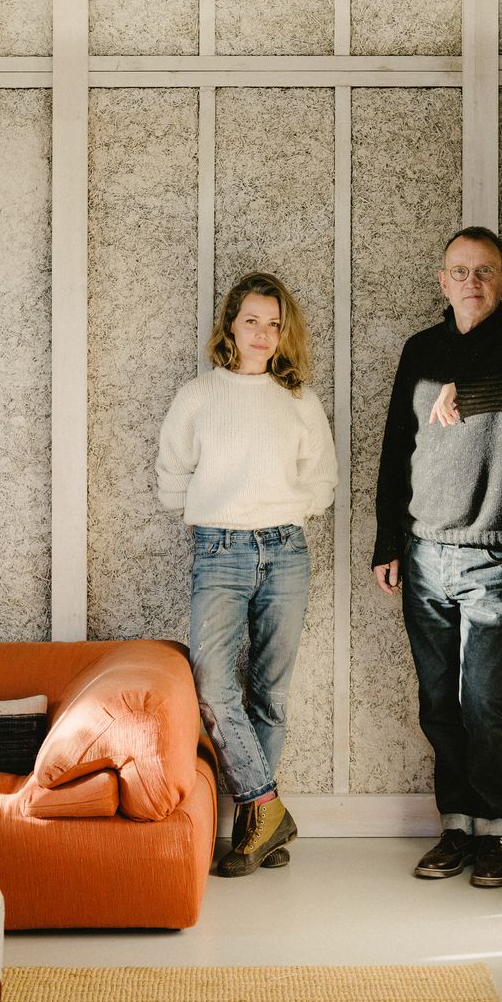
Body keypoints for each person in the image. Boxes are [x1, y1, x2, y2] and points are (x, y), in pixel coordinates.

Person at [373, 226, 502, 888]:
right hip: (423, 553)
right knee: (440, 699)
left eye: (485, 271)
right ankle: (458, 823)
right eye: (460, 271)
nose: (472, 281)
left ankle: (499, 828)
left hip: (495, 552)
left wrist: (466, 393)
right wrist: (389, 542)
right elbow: (397, 448)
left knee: (485, 699)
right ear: (442, 281)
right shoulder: (421, 350)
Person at [157, 272, 337, 877]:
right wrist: (212, 516)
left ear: (284, 334)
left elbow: (322, 479)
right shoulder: (198, 396)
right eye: (252, 321)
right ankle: (268, 807)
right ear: (231, 325)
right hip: (219, 551)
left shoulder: (298, 400)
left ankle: (252, 832)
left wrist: (282, 512)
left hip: (286, 550)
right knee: (213, 684)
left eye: (274, 324)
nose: (262, 334)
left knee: (271, 693)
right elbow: (171, 474)